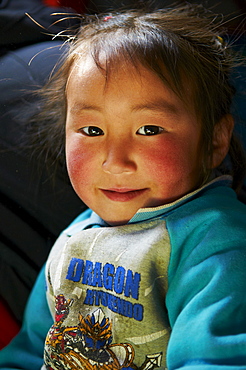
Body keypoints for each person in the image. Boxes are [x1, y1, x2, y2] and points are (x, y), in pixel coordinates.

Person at [0, 3, 246, 369]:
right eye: (92, 131)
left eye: (148, 130)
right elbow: (28, 354)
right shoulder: (73, 240)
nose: (116, 161)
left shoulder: (214, 240)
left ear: (213, 141)